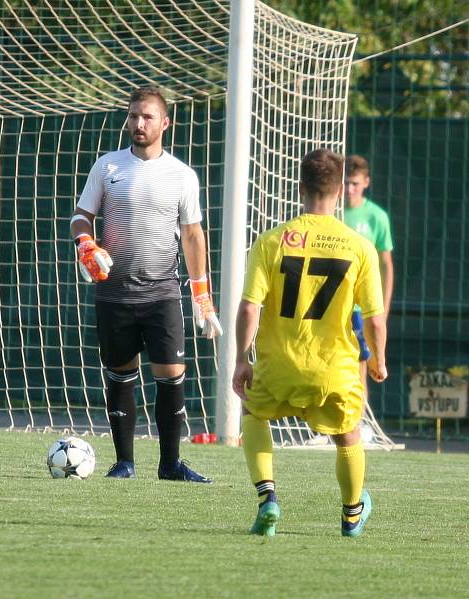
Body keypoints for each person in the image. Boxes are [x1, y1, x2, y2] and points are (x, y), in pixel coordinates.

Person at [232, 149, 388, 537]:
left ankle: (268, 497)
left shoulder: (270, 241)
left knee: (253, 413)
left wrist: (241, 359)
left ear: (300, 188)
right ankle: (352, 514)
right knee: (348, 431)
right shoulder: (358, 247)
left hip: (278, 364)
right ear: (339, 192)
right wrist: (378, 361)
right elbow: (375, 319)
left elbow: (249, 309)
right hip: (333, 369)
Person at [70, 87, 222, 483]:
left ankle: (171, 464)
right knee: (120, 374)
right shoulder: (107, 167)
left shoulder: (182, 175)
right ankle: (124, 463)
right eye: (134, 116)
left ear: (164, 123)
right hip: (114, 292)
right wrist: (86, 242)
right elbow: (80, 217)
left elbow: (192, 235)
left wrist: (202, 296)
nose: (139, 124)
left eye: (148, 117)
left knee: (171, 373)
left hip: (162, 293)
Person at [344, 155, 393, 405]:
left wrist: (381, 308)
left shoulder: (376, 217)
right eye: (345, 183)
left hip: (360, 306)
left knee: (361, 363)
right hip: (333, 301)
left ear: (366, 182)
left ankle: (360, 421)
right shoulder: (332, 212)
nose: (349, 189)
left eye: (354, 183)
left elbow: (386, 264)